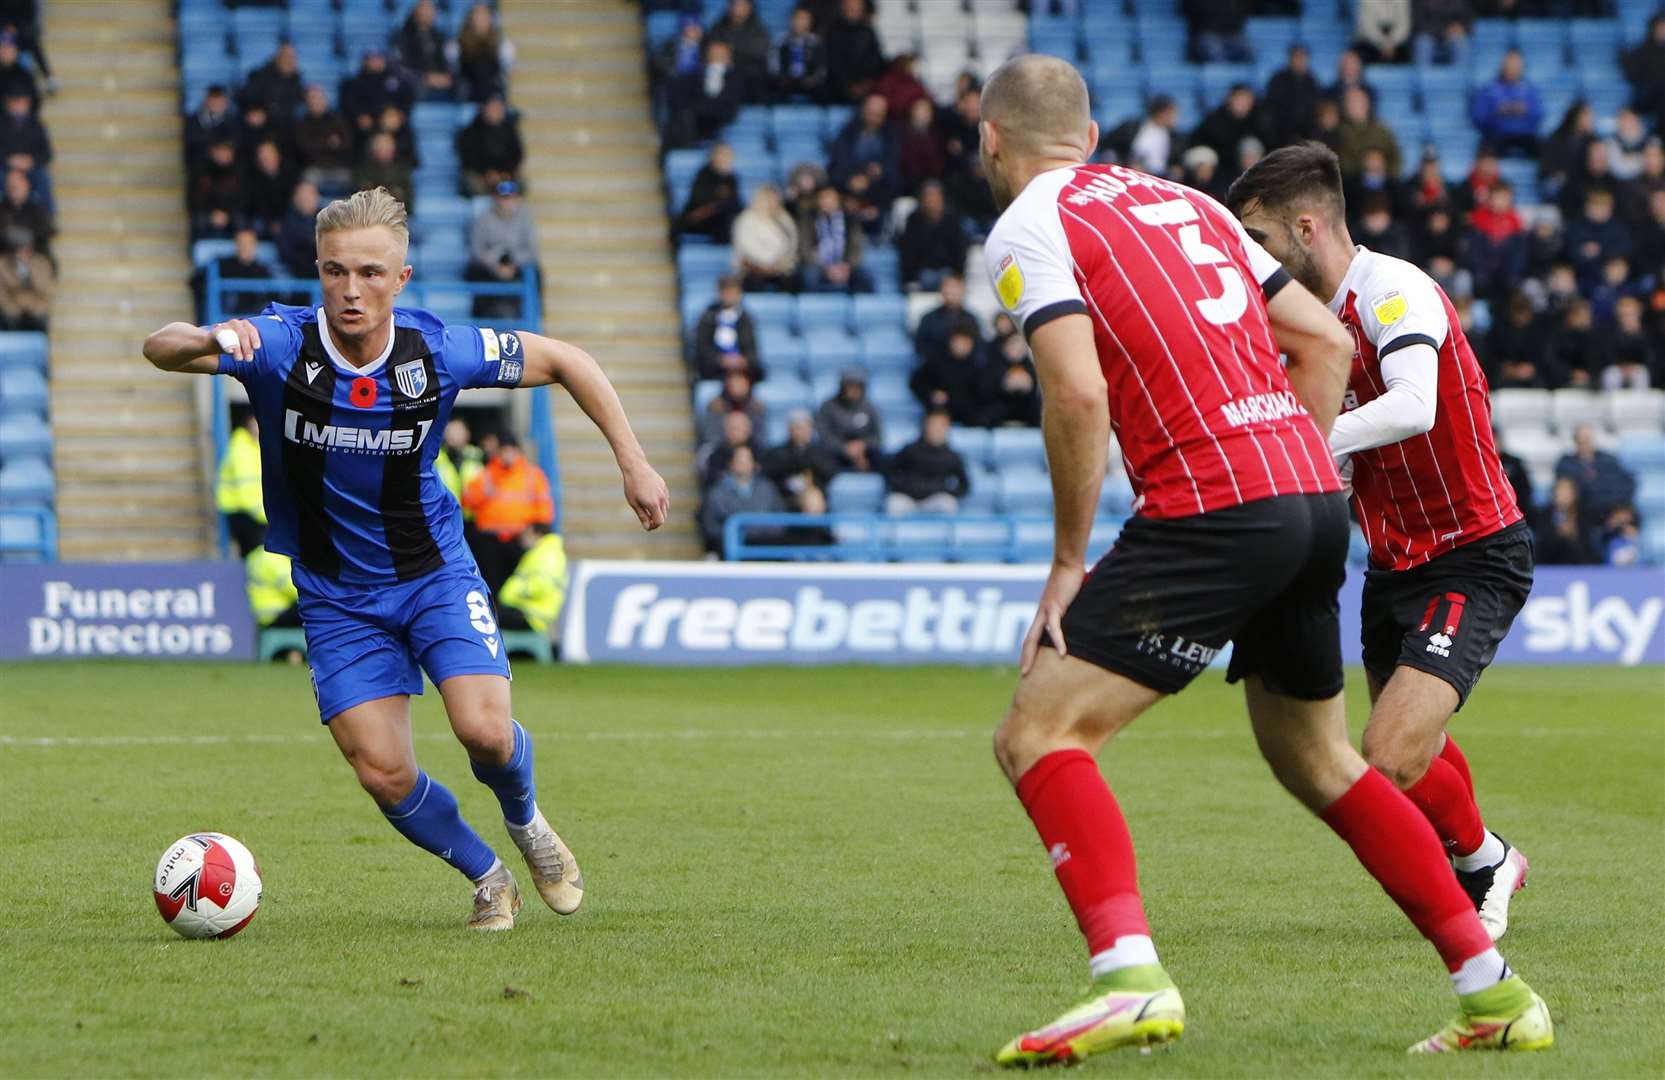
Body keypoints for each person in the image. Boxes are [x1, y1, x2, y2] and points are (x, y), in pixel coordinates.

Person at [975, 56, 1548, 1066]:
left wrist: (1069, 562)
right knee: (1320, 760)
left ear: (991, 142)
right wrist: (1293, 474)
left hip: (1214, 501)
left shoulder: (1029, 224)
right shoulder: (1190, 203)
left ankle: (1125, 977)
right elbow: (1324, 345)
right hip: (1309, 497)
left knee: (1039, 730)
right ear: (1096, 137)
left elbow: (1074, 397)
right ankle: (1493, 995)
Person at [143, 185, 670, 930]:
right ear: (318, 272)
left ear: (401, 279)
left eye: (369, 272)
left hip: (431, 574)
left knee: (484, 732)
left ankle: (527, 824)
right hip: (333, 594)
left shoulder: (438, 351)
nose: (350, 290)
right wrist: (211, 338)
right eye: (333, 272)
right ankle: (487, 875)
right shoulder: (278, 346)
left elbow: (568, 360)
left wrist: (634, 463)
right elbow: (158, 347)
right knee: (383, 772)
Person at [1231, 141, 1540, 949]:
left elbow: (1411, 406)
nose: (1251, 262)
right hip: (1392, 563)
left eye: (1258, 241)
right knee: (1415, 747)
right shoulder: (1298, 324)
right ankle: (1486, 859)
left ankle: (1481, 861)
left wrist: (1309, 438)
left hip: (1473, 549)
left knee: (1388, 755)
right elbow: (1332, 464)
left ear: (1306, 225)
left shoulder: (1394, 289)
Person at [463, 431, 555, 595]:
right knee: (490, 585)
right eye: (504, 450)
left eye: (510, 450)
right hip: (489, 541)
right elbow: (467, 500)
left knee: (515, 585)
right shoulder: (489, 473)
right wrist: (483, 493)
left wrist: (538, 533)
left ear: (518, 451)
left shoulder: (532, 475)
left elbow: (544, 507)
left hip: (518, 540)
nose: (507, 455)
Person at [466, 180, 538, 320]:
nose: (505, 202)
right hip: (489, 268)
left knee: (534, 273)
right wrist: (496, 266)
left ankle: (534, 317)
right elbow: (476, 250)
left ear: (516, 198)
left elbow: (532, 251)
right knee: (475, 272)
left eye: (509, 197)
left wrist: (513, 264)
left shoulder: (525, 219)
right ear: (495, 198)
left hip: (515, 267)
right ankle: (481, 318)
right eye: (502, 197)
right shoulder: (484, 219)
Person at [700, 444, 784, 552]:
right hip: (730, 550)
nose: (743, 464)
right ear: (731, 464)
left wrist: (759, 534)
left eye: (746, 460)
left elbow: (781, 519)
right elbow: (711, 526)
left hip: (766, 549)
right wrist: (736, 534)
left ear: (754, 464)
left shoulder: (768, 489)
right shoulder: (717, 492)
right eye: (739, 460)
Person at [884, 410, 968, 514]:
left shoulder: (952, 456)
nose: (935, 429)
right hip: (908, 498)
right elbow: (890, 471)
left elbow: (964, 484)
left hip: (935, 500)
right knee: (894, 503)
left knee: (948, 504)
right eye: (932, 425)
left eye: (940, 426)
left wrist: (946, 490)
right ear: (925, 426)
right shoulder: (910, 449)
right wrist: (903, 487)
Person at [1555, 424, 1637, 530]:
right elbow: (1565, 494)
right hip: (1580, 517)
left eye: (1587, 440)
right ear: (1575, 442)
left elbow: (1628, 484)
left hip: (1611, 513)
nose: (1585, 445)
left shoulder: (1608, 461)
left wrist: (1619, 509)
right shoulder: (1566, 464)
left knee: (1629, 525)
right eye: (1581, 441)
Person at [910, 326, 996, 426]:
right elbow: (916, 383)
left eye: (966, 343)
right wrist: (931, 394)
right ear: (951, 342)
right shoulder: (936, 362)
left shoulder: (978, 366)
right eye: (959, 342)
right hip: (941, 416)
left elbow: (985, 394)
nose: (962, 346)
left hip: (969, 419)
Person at [494, 522, 567, 636]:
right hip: (529, 611)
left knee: (487, 616)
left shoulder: (546, 554)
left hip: (532, 615)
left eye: (526, 534)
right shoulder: (544, 551)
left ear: (536, 534)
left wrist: (515, 594)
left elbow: (542, 585)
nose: (522, 538)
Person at [829, 93, 900, 207]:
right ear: (863, 110)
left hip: (879, 192)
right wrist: (851, 180)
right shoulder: (848, 132)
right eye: (870, 112)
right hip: (848, 185)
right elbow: (838, 162)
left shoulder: (891, 135)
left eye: (878, 114)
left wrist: (874, 176)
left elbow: (892, 166)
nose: (873, 118)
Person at [667, 40, 742, 148]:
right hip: (696, 118)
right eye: (713, 53)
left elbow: (731, 103)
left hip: (720, 117)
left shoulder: (736, 78)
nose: (716, 56)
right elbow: (683, 97)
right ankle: (684, 151)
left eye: (720, 54)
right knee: (682, 117)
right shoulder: (694, 76)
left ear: (728, 56)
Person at [797, 182, 870, 293]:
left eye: (831, 198)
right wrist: (825, 268)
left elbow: (856, 247)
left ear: (838, 200)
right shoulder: (808, 220)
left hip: (845, 266)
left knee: (865, 277)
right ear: (817, 200)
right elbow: (804, 249)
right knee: (809, 275)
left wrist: (846, 266)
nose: (827, 201)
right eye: (824, 198)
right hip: (818, 266)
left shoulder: (850, 220)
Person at [1470, 49, 1542, 159]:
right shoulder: (1489, 89)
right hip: (1497, 134)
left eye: (1516, 64)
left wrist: (1524, 110)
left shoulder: (1530, 89)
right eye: (1510, 63)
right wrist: (1497, 112)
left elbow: (1539, 114)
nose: (1513, 67)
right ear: (1502, 65)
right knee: (1486, 151)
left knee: (1544, 148)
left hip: (1526, 135)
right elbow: (1478, 117)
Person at [899, 180, 968, 291]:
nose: (931, 200)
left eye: (934, 196)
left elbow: (960, 250)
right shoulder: (914, 220)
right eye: (928, 196)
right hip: (922, 272)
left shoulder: (952, 219)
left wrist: (957, 274)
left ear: (942, 198)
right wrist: (911, 276)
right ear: (922, 199)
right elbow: (908, 252)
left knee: (950, 281)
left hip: (948, 271)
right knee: (927, 278)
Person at [692, 275, 762, 381]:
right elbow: (702, 347)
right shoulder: (708, 317)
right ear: (720, 293)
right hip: (714, 369)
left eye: (734, 292)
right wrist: (720, 360)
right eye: (727, 292)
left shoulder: (746, 319)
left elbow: (752, 348)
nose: (731, 296)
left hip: (742, 370)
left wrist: (743, 360)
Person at [761, 407, 840, 500]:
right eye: (798, 428)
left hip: (816, 496)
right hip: (784, 499)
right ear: (790, 429)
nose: (803, 432)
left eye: (806, 427)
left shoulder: (822, 452)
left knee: (813, 498)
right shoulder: (777, 453)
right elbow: (770, 476)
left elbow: (830, 473)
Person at [216, 412, 266, 558]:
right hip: (242, 511)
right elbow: (246, 489)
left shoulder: (255, 447)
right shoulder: (241, 448)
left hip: (253, 512)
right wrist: (263, 514)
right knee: (253, 556)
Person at [731, 183, 797, 292]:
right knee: (752, 282)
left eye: (775, 199)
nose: (773, 202)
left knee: (792, 281)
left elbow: (792, 243)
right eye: (769, 199)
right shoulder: (746, 219)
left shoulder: (785, 219)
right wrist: (766, 263)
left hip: (779, 267)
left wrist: (778, 263)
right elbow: (746, 247)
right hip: (753, 267)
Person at [815, 366, 881, 472]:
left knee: (880, 457)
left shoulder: (870, 408)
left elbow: (878, 436)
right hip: (836, 452)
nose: (854, 391)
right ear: (842, 387)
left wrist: (862, 445)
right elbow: (824, 435)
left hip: (864, 451)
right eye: (850, 386)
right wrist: (844, 448)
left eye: (857, 387)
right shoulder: (828, 407)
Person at [455, 94, 523, 196]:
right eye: (493, 108)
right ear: (483, 109)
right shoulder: (470, 131)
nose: (496, 111)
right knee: (475, 186)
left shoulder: (510, 130)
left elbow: (517, 153)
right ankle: (486, 206)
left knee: (515, 186)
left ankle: (506, 205)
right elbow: (468, 156)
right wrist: (487, 171)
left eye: (499, 108)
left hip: (505, 174)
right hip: (479, 174)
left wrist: (505, 172)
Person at [705, 0, 770, 102]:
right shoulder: (718, 28)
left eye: (742, 4)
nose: (738, 8)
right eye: (735, 4)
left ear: (750, 7)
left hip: (748, 74)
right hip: (722, 70)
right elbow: (712, 49)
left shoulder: (759, 30)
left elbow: (757, 53)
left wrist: (729, 54)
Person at [339, 49, 415, 136]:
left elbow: (407, 98)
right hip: (365, 126)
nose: (375, 62)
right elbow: (349, 104)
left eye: (378, 58)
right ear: (364, 61)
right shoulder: (353, 84)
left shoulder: (397, 81)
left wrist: (398, 114)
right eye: (371, 59)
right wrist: (359, 115)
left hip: (393, 124)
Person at [294, 85, 354, 193]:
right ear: (306, 101)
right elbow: (304, 148)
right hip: (314, 167)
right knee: (307, 181)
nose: (315, 101)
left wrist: (318, 143)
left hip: (338, 166)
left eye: (317, 98)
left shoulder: (338, 119)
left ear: (324, 99)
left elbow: (346, 144)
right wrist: (329, 143)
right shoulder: (302, 123)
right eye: (311, 98)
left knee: (354, 181)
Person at [676, 142, 741, 242]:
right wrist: (719, 196)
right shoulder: (703, 174)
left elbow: (736, 202)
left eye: (728, 156)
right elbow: (699, 199)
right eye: (722, 155)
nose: (725, 159)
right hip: (699, 222)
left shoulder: (732, 179)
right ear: (713, 157)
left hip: (721, 222)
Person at [823, 0, 884, 103]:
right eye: (850, 6)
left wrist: (866, 83)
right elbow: (832, 64)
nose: (853, 9)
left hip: (865, 87)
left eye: (857, 6)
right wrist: (848, 86)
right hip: (838, 88)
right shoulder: (832, 32)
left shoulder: (868, 32)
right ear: (843, 7)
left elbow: (876, 61)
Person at [394, 0, 456, 102]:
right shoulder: (402, 36)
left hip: (441, 79)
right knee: (416, 88)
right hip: (417, 80)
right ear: (415, 11)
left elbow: (450, 60)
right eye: (424, 8)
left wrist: (447, 76)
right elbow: (400, 67)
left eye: (430, 9)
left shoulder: (441, 36)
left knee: (462, 85)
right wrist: (424, 77)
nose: (427, 12)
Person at [1334, 85, 1400, 178]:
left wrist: (1384, 172)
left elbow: (1396, 158)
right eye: (1350, 101)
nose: (1353, 105)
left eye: (1357, 101)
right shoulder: (1337, 132)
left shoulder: (1382, 130)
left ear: (1367, 103)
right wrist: (1363, 167)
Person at [1264, 45, 1322, 148]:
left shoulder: (1312, 81)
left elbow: (1314, 108)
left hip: (1307, 135)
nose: (1300, 60)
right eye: (1296, 56)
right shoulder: (1278, 80)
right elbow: (1272, 108)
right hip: (1281, 134)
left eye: (1303, 57)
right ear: (1290, 58)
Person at [913, 272, 980, 360]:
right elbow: (920, 347)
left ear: (963, 290)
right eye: (948, 287)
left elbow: (979, 348)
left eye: (956, 287)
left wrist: (965, 349)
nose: (952, 291)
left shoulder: (971, 319)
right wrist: (948, 350)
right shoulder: (928, 319)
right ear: (941, 290)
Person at [211, 226, 276, 316]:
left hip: (254, 320)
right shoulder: (222, 266)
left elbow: (272, 297)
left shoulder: (263, 270)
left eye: (249, 243)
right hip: (228, 319)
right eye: (241, 243)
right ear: (236, 245)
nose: (245, 247)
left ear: (255, 246)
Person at [455, 2, 512, 103]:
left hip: (492, 92)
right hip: (469, 91)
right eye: (477, 14)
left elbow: (505, 72)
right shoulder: (457, 44)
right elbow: (456, 71)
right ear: (470, 18)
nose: (480, 18)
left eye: (484, 15)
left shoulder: (502, 44)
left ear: (490, 18)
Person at [188, 138, 244, 240]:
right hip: (208, 215)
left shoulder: (240, 174)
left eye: (226, 151)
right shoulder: (202, 174)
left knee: (242, 220)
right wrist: (212, 214)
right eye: (220, 151)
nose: (223, 155)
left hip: (232, 215)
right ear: (213, 152)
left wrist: (227, 215)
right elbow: (194, 200)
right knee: (198, 221)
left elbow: (244, 200)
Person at [237, 43, 305, 124]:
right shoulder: (260, 76)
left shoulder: (296, 80)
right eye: (286, 57)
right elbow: (244, 96)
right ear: (277, 58)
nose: (290, 61)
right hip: (264, 124)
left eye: (293, 57)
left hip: (286, 123)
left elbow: (296, 103)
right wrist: (252, 111)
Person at [1536, 476, 1596, 564]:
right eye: (1560, 492)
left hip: (1579, 567)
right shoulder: (1544, 515)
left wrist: (1574, 534)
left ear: (1574, 495)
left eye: (1567, 492)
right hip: (1550, 566)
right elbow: (1541, 549)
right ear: (1554, 495)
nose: (1564, 496)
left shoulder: (1584, 516)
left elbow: (1588, 550)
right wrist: (1558, 533)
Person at [243, 140, 296, 237]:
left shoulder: (290, 174)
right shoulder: (252, 177)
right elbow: (256, 203)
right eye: (262, 153)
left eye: (268, 153)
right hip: (264, 217)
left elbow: (291, 200)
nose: (265, 156)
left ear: (277, 155)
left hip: (286, 215)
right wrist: (271, 221)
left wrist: (281, 220)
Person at [700, 369, 767, 446]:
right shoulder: (715, 407)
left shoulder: (757, 407)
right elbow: (712, 437)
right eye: (733, 382)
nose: (737, 386)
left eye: (741, 382)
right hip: (722, 451)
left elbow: (761, 438)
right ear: (727, 384)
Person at [184, 85, 240, 175]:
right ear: (206, 100)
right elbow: (190, 143)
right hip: (200, 171)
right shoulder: (193, 121)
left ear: (225, 101)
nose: (215, 103)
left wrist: (226, 151)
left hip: (229, 172)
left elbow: (237, 141)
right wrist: (212, 151)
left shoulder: (234, 122)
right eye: (213, 98)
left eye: (218, 99)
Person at [245, 544, 302, 633]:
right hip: (277, 615)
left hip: (263, 617)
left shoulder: (256, 554)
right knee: (314, 605)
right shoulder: (274, 557)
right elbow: (296, 589)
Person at [773, 7, 825, 101]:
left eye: (804, 19)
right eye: (797, 18)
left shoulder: (816, 42)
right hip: (787, 81)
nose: (800, 22)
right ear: (791, 21)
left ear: (810, 22)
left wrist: (813, 79)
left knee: (826, 88)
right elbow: (774, 66)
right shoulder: (781, 41)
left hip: (810, 81)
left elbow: (821, 66)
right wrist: (783, 77)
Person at [354, 131, 413, 211]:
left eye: (388, 149)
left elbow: (407, 201)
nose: (386, 152)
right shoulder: (363, 171)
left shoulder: (402, 171)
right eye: (381, 149)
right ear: (373, 151)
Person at [278, 181, 322, 277]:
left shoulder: (328, 220)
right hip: (298, 274)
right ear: (295, 199)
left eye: (310, 194)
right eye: (302, 195)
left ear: (317, 197)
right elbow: (285, 252)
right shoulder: (287, 223)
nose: (306, 199)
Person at [436, 417, 485, 503]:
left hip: (472, 513)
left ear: (467, 434)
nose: (452, 436)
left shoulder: (478, 455)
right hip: (446, 513)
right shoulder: (436, 457)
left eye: (457, 432)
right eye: (449, 432)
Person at [0, 166, 48, 253]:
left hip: (33, 254)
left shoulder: (38, 208)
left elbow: (46, 231)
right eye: (10, 183)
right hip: (5, 255)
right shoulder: (1, 208)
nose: (13, 186)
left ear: (27, 185)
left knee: (40, 264)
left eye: (17, 183)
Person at [1128, 96, 1178, 178]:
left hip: (1162, 177)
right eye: (1171, 113)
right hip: (1134, 172)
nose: (1174, 117)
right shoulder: (1132, 127)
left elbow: (1176, 160)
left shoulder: (1175, 137)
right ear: (1161, 113)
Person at [1354, 0, 1413, 64]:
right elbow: (1367, 27)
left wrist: (1392, 43)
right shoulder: (1366, 1)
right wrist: (1383, 43)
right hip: (1371, 42)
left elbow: (1404, 26)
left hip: (1396, 42)